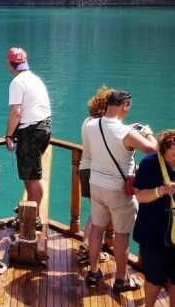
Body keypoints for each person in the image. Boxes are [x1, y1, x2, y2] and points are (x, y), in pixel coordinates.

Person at [83, 90, 156, 291]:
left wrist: (129, 129)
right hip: (118, 190)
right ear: (125, 106)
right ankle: (121, 280)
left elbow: (109, 132)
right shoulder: (126, 133)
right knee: (121, 235)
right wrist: (147, 133)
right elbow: (154, 151)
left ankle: (92, 272)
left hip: (96, 184)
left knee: (97, 228)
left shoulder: (91, 125)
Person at [4, 47, 52, 222]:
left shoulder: (17, 83)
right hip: (44, 127)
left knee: (34, 176)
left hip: (31, 130)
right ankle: (29, 212)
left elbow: (16, 112)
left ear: (10, 64)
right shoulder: (35, 79)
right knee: (29, 173)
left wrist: (9, 136)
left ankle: (34, 217)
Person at [134, 129, 175, 306]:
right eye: (174, 154)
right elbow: (139, 195)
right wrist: (162, 190)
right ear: (164, 148)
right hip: (154, 234)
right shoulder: (150, 163)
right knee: (154, 278)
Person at [77, 85, 113, 265]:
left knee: (96, 212)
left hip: (84, 169)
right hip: (95, 172)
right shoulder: (101, 126)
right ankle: (88, 248)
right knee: (99, 214)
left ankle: (86, 246)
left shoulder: (88, 122)